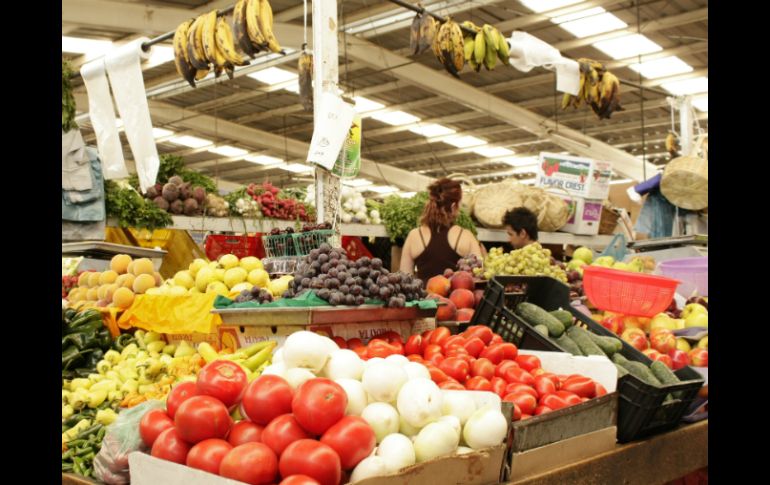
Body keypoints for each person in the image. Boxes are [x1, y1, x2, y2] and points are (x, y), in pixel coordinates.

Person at [400, 178, 483, 281]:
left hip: (425, 297)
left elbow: (405, 279)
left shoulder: (414, 235)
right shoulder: (466, 236)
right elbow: (478, 277)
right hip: (458, 297)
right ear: (453, 206)